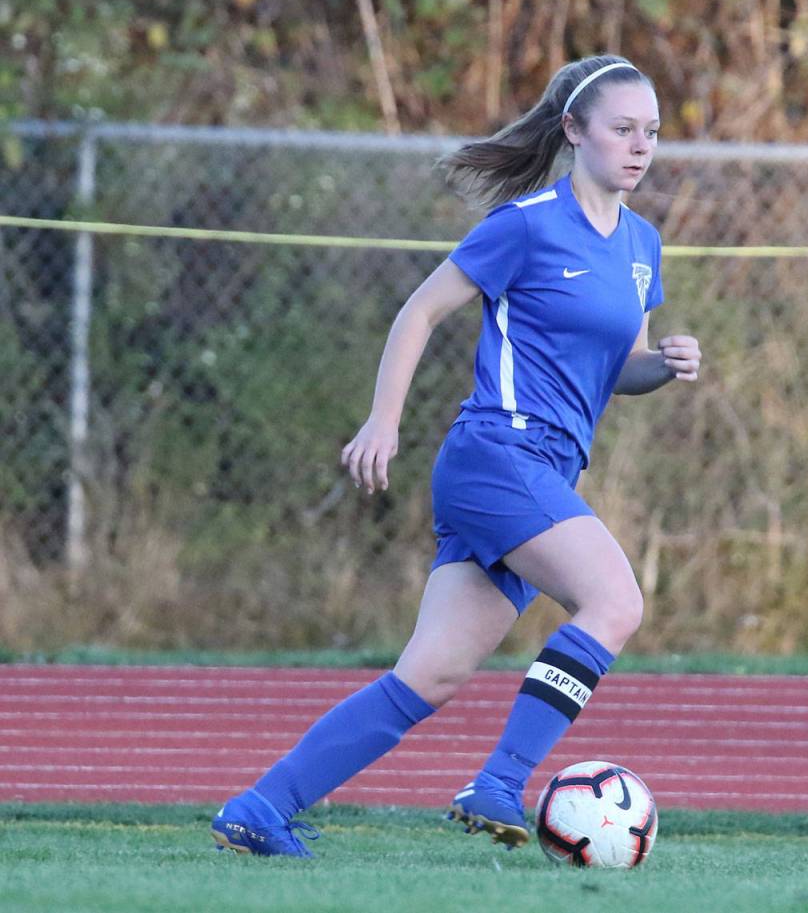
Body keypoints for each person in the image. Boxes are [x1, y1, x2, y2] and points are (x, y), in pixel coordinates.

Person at [210, 53, 701, 858]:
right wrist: (383, 421)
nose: (640, 146)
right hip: (499, 457)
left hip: (540, 472)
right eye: (622, 129)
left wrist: (666, 364)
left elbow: (624, 367)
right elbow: (420, 311)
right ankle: (500, 782)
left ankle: (260, 807)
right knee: (615, 602)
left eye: (650, 132)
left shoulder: (642, 244)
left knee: (428, 676)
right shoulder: (528, 223)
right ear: (575, 131)